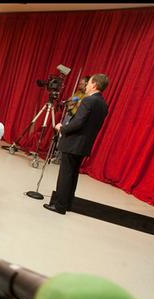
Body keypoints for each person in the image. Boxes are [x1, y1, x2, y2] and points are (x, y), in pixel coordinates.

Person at [44, 73, 109, 215]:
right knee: (73, 175)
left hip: (73, 142)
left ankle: (59, 206)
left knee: (65, 174)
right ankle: (67, 203)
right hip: (84, 145)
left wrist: (62, 128)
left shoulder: (88, 101)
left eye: (89, 82)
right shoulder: (103, 105)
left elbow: (78, 123)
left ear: (94, 85)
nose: (86, 85)